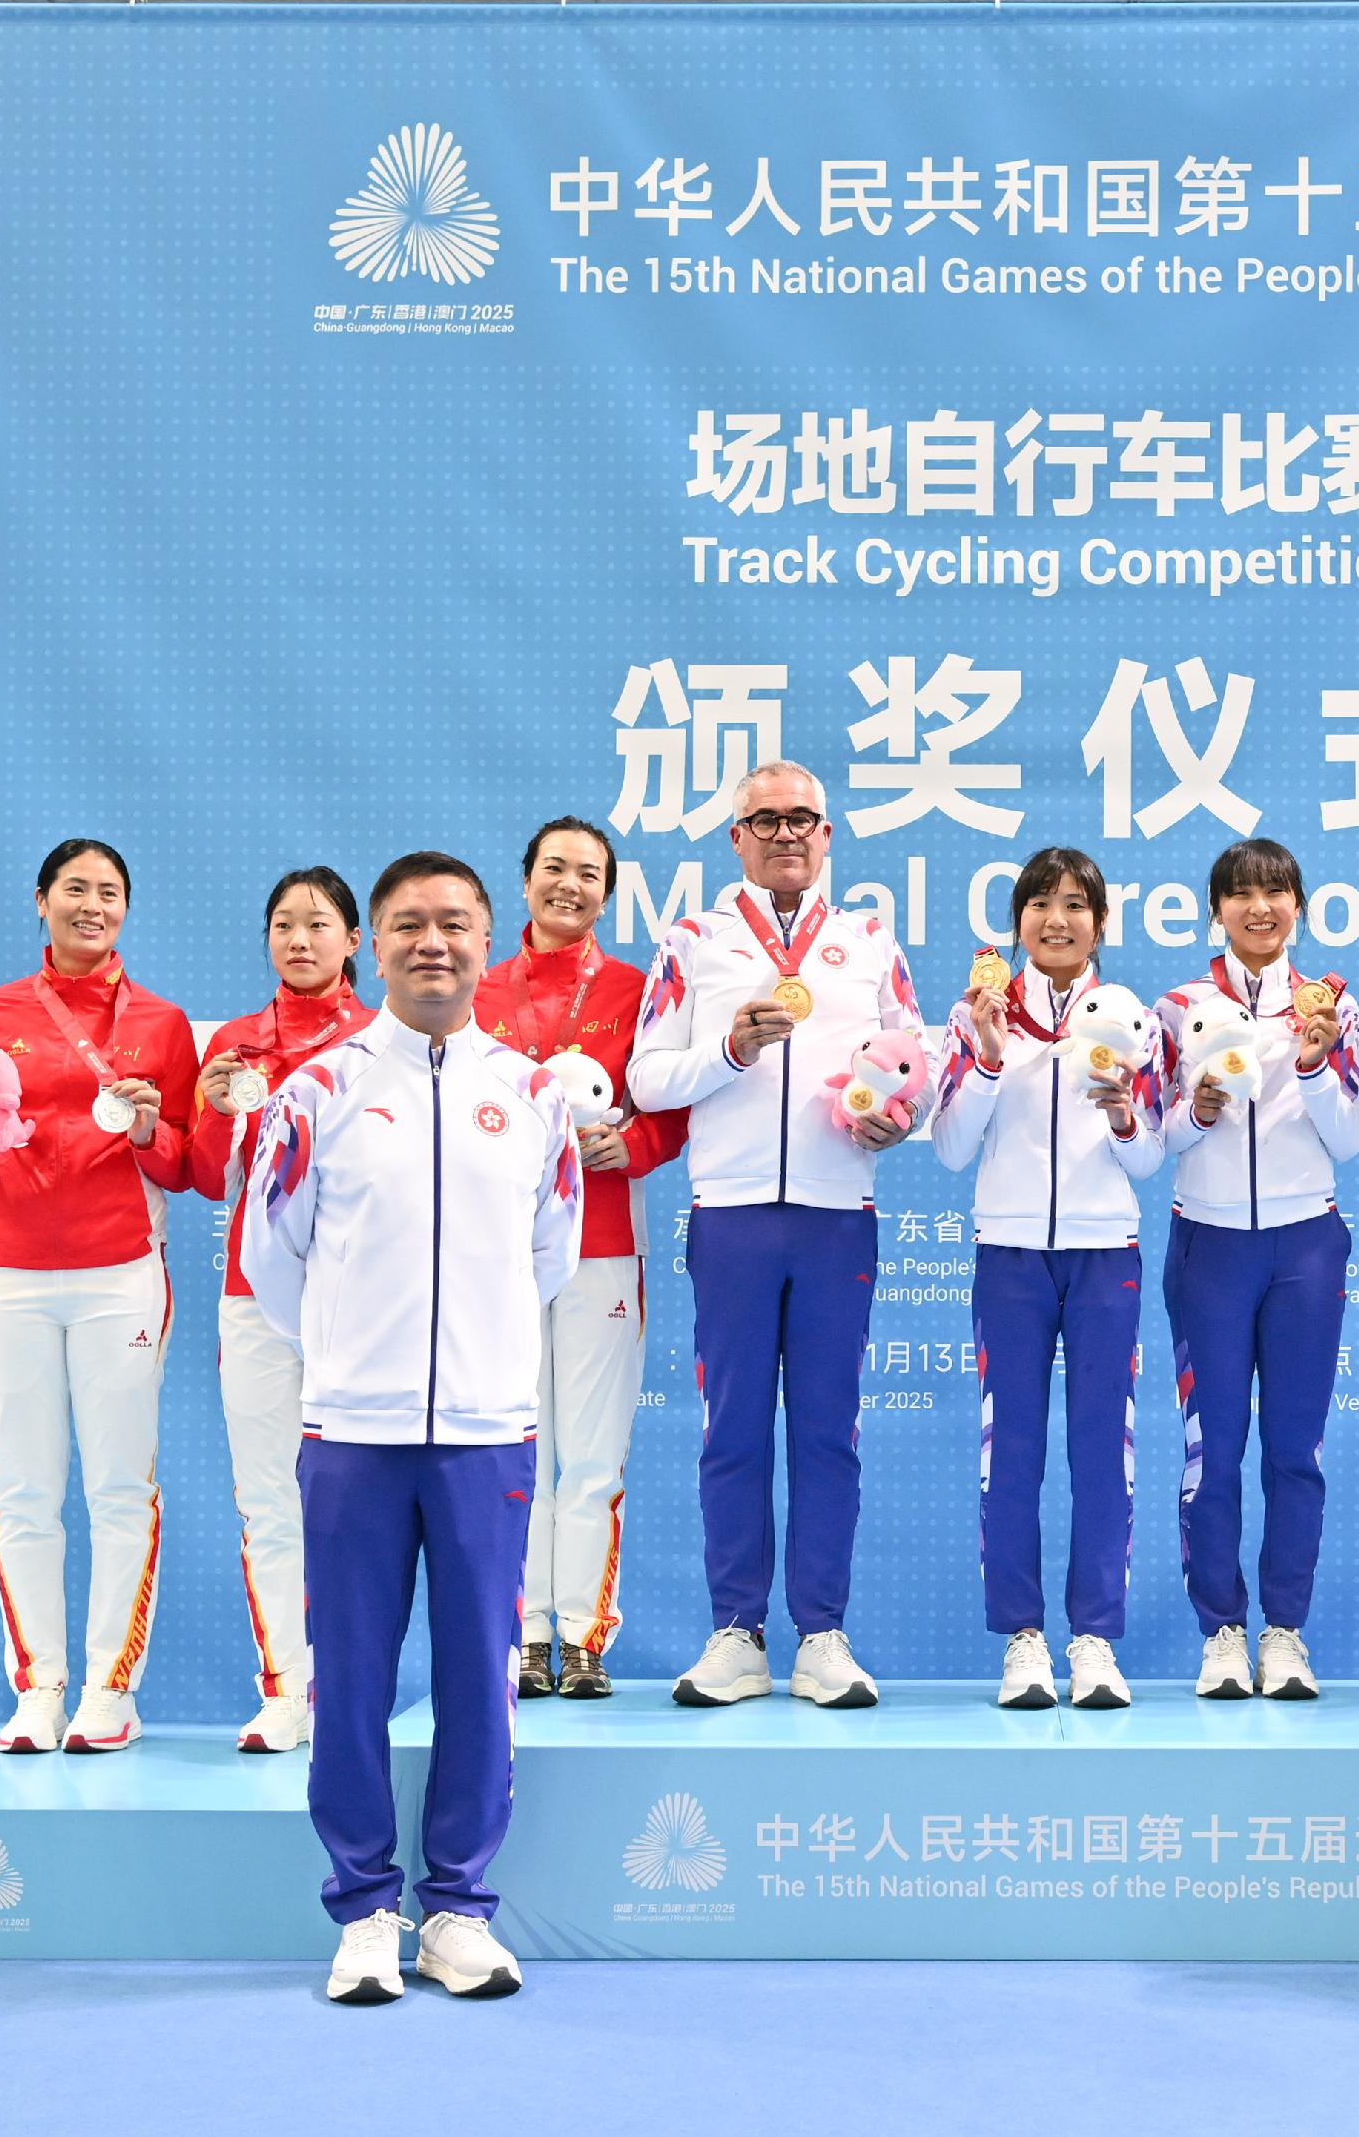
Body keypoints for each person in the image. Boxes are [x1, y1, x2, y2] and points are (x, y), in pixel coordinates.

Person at [241, 851, 584, 2005]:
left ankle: (459, 1911)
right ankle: (363, 1911)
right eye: (406, 926)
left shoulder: (534, 1096)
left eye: (453, 923)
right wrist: (355, 1360)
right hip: (352, 1432)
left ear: (488, 942)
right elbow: (269, 1260)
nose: (431, 942)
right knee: (348, 1677)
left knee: (480, 1677)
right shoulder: (317, 1094)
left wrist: (471, 1360)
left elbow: (552, 1254)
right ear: (370, 947)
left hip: (488, 1428)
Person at [627, 759, 923, 1709]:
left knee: (829, 1434)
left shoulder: (870, 941)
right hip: (734, 1216)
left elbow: (917, 1063)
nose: (787, 834)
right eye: (767, 821)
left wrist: (899, 1118)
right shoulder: (694, 943)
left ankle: (823, 1635)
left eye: (804, 819)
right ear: (737, 840)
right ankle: (737, 1634)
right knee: (735, 1431)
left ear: (829, 836)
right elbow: (646, 1079)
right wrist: (730, 1050)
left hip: (839, 1219)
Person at [0, 837, 198, 1756]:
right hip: (7, 1272)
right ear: (41, 900)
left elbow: (188, 1162)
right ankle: (38, 1687)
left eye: (111, 893)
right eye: (77, 890)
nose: (94, 906)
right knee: (23, 1489)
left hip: (119, 1273)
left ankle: (110, 1689)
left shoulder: (162, 1024)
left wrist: (149, 1126)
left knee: (121, 1488)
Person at [932, 848, 1169, 1708]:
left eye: (1075, 904)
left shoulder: (1135, 1022)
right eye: (1040, 904)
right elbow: (952, 1147)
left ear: (1101, 922)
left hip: (1107, 1253)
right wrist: (990, 1057)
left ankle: (1096, 1641)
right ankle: (1024, 1639)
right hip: (1011, 1253)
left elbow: (1150, 1161)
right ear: (1017, 922)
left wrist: (1124, 1117)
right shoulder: (977, 1016)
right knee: (1013, 1450)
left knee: (1105, 1451)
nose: (1057, 919)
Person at [1150, 836, 1359, 1701]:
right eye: (1242, 893)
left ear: (1299, 907)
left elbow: (1351, 1137)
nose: (1260, 907)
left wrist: (1314, 1062)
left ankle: (1284, 1632)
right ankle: (1221, 1632)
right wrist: (1196, 1114)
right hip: (1209, 1245)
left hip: (1304, 1247)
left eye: (1276, 892)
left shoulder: (1332, 1005)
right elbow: (1155, 1139)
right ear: (1217, 910)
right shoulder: (1176, 1009)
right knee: (1214, 1449)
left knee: (1295, 1449)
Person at [475, 817, 689, 1702]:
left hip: (603, 1244)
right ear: (524, 882)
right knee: (517, 1447)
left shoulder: (639, 990)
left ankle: (583, 1635)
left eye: (589, 874)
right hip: (493, 1255)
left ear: (609, 892)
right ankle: (524, 1632)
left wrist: (629, 1147)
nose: (570, 886)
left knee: (593, 1455)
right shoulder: (478, 991)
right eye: (554, 869)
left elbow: (674, 1111)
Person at [177, 866, 379, 1756]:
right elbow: (199, 1174)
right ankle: (287, 1687)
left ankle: (350, 1688)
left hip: (361, 1306)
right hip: (253, 1302)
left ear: (354, 943)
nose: (300, 940)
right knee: (268, 1499)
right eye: (285, 925)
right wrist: (219, 1114)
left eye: (319, 924)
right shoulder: (233, 1043)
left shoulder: (385, 1038)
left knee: (353, 1505)